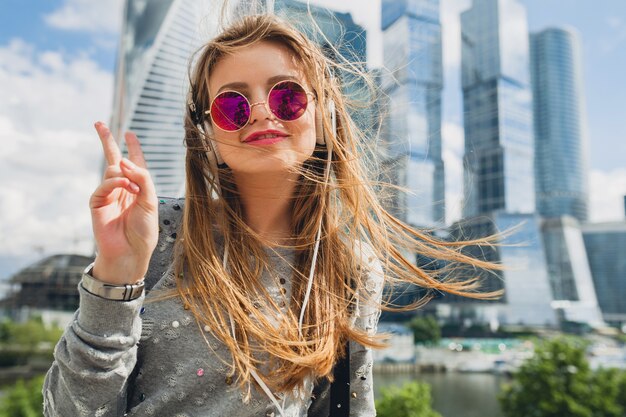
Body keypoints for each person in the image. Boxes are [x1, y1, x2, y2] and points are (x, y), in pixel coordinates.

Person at [43, 13, 502, 417]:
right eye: (232, 105)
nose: (262, 113)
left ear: (323, 119)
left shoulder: (353, 268)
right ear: (207, 136)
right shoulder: (158, 234)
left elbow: (349, 407)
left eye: (287, 98)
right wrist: (115, 276)